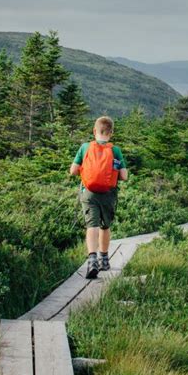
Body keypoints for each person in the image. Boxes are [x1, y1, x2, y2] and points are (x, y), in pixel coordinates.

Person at [69, 115, 128, 278]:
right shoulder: (115, 150)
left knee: (92, 225)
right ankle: (104, 259)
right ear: (111, 133)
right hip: (108, 195)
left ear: (94, 131)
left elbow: (73, 170)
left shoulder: (85, 147)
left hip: (89, 193)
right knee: (104, 226)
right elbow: (124, 176)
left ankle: (92, 260)